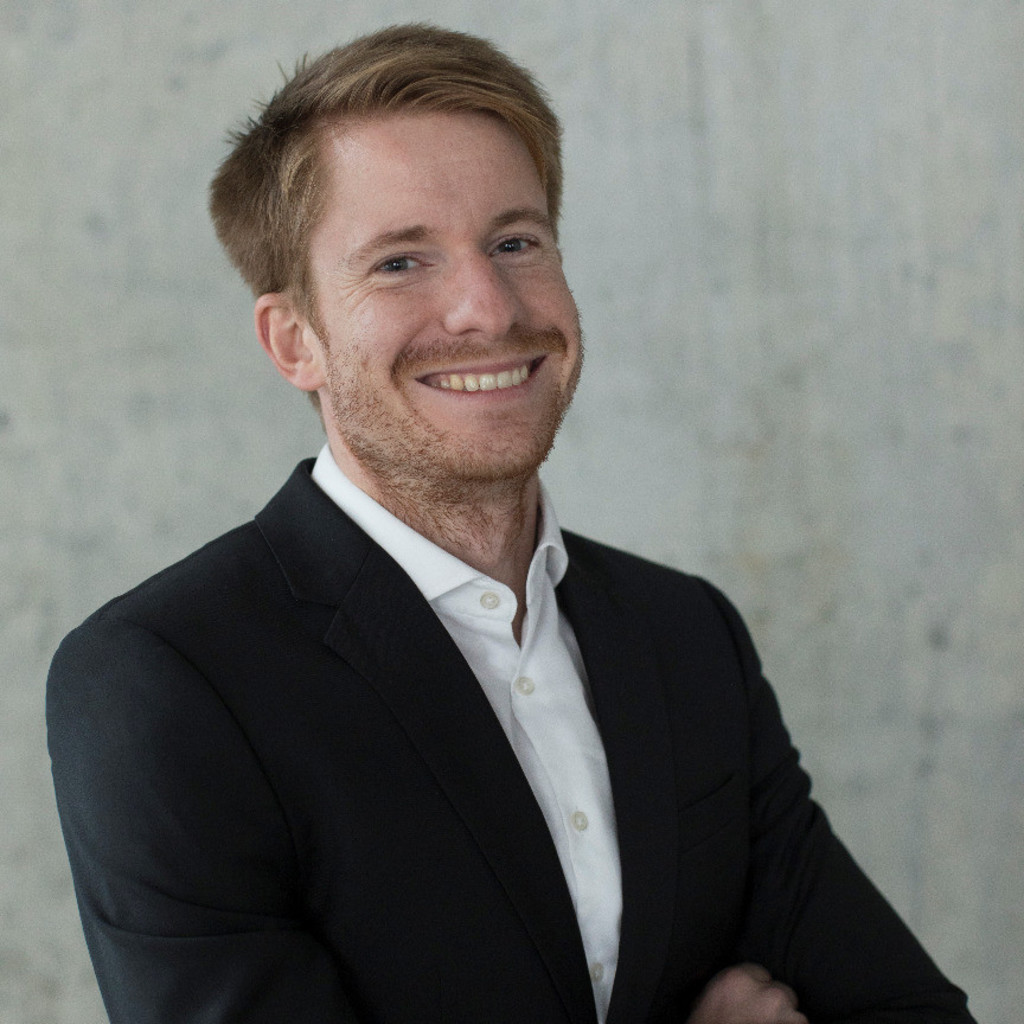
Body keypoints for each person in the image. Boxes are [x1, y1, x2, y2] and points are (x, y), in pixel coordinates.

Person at [47, 24, 975, 1024]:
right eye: (400, 261)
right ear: (294, 339)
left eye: (514, 243)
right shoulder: (164, 683)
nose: (487, 309)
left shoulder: (685, 635)